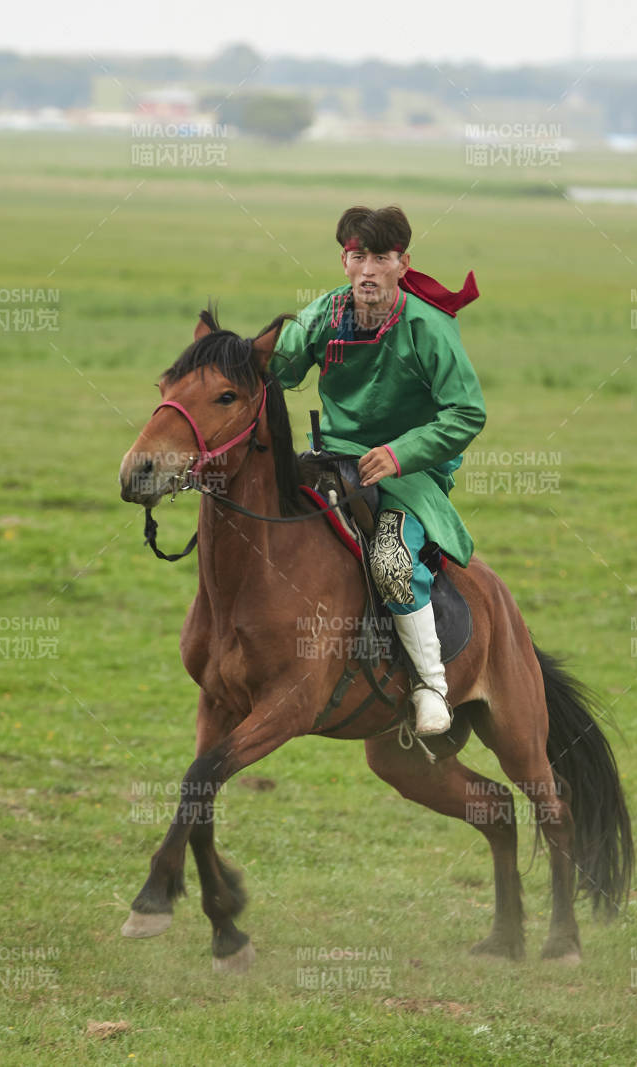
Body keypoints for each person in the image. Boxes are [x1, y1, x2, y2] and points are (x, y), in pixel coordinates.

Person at [271, 205, 486, 736]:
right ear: (344, 262)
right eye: (358, 256)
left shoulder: (429, 327)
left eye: (382, 258)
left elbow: (466, 412)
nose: (368, 270)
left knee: (391, 559)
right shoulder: (324, 314)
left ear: (402, 263)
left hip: (409, 470)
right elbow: (275, 370)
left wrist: (398, 454)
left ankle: (431, 685)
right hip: (330, 457)